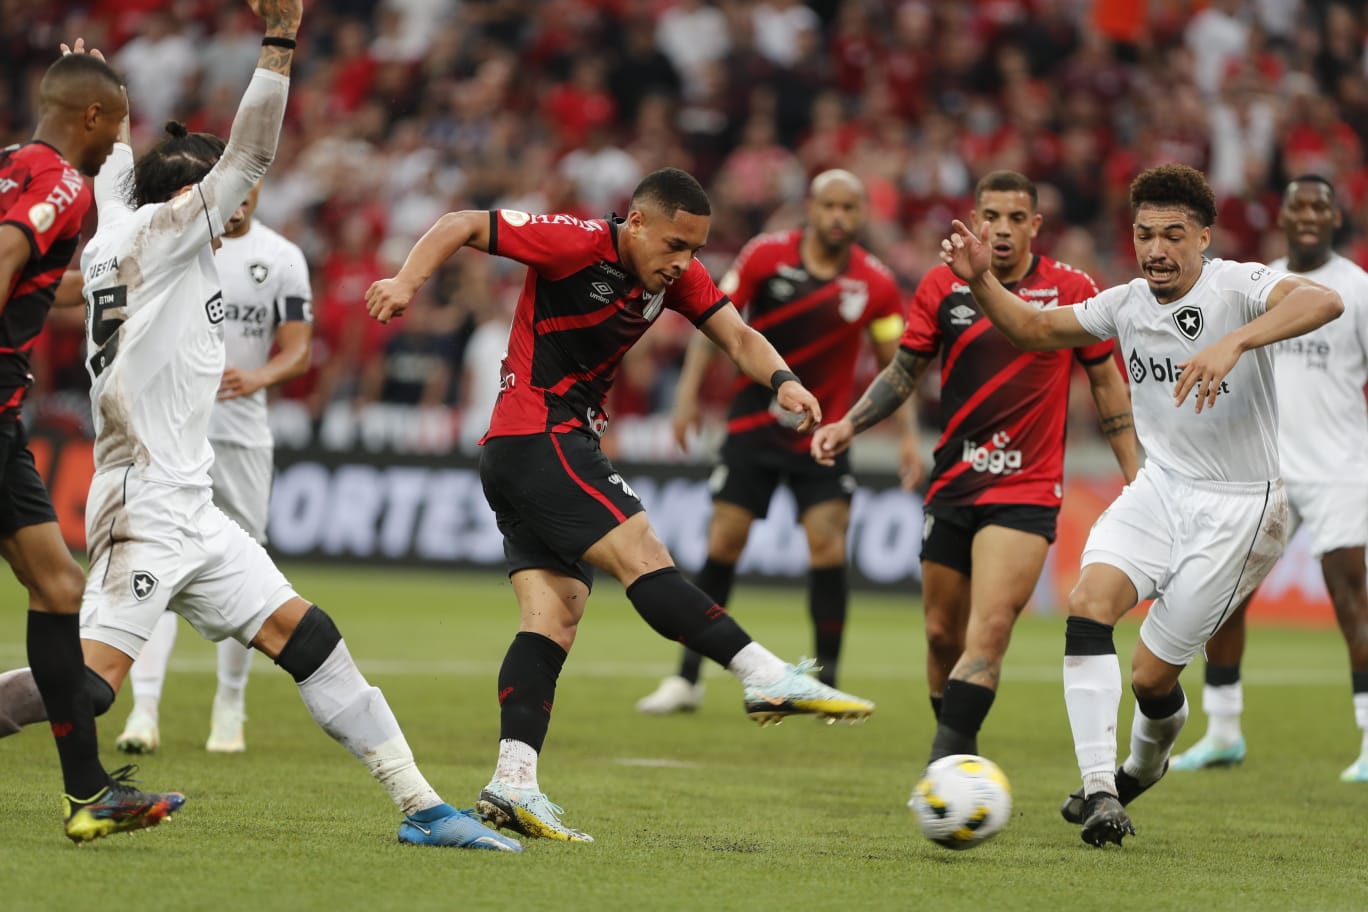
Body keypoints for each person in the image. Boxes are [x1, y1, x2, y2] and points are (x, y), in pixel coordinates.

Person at [0, 0, 520, 852]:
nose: (242, 203)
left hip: (188, 503)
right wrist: (278, 46)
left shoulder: (116, 232)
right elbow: (247, 152)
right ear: (185, 196)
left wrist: (111, 103)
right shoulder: (169, 234)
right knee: (87, 689)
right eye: (223, 194)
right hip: (144, 510)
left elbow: (113, 163)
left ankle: (421, 807)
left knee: (306, 635)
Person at [365, 166, 877, 844]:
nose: (683, 263)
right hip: (539, 433)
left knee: (553, 616)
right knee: (644, 556)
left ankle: (513, 783)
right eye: (673, 245)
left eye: (694, 249)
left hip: (528, 447)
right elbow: (462, 223)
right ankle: (764, 675)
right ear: (635, 223)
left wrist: (783, 380)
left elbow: (738, 335)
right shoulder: (574, 243)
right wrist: (407, 282)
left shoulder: (679, 279)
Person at [936, 162, 1342, 847]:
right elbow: (1034, 330)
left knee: (1153, 678)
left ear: (1203, 238)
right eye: (1145, 234)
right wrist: (979, 279)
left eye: (1173, 235)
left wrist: (1235, 341)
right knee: (1088, 603)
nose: (1156, 249)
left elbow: (1324, 302)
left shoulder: (1237, 285)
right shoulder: (1123, 302)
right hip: (1161, 488)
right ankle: (1099, 790)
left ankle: (1137, 772)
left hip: (1242, 508)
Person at [812, 170, 1141, 767]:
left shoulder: (1070, 287)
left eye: (1018, 218)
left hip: (1026, 486)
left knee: (988, 632)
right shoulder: (941, 285)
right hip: (954, 482)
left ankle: (947, 769)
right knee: (942, 636)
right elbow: (904, 372)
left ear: (1036, 226)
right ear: (975, 219)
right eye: (992, 216)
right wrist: (848, 425)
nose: (1004, 229)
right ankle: (960, 749)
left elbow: (1107, 385)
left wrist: (1138, 478)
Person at [636, 169, 911, 715]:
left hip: (824, 435)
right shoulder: (765, 257)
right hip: (751, 428)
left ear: (861, 215)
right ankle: (687, 679)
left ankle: (826, 680)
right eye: (829, 206)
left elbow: (898, 364)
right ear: (810, 207)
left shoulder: (876, 285)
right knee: (724, 545)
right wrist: (688, 397)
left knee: (828, 547)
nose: (838, 217)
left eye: (849, 209)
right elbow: (715, 320)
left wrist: (909, 438)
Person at [0, 40, 181, 843]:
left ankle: (90, 795)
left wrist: (130, 282)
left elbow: (42, 278)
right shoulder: (64, 181)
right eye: (116, 127)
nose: (120, 147)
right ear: (94, 116)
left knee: (60, 590)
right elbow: (8, 253)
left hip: (7, 424)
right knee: (60, 590)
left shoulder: (11, 162)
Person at [1171, 176, 1368, 782]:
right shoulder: (1262, 283)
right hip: (1263, 469)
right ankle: (1224, 732)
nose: (1308, 215)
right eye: (1298, 206)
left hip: (1339, 469)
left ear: (1336, 216)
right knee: (1225, 599)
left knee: (1352, 602)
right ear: (1280, 215)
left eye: (1320, 205)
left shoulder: (1357, 289)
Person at [112, 180, 314, 755]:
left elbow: (299, 348)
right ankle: (143, 713)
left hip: (243, 436)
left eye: (252, 189)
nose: (241, 200)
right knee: (155, 561)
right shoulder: (181, 247)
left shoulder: (281, 257)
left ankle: (230, 706)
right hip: (174, 431)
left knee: (248, 565)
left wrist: (258, 378)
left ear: (259, 193)